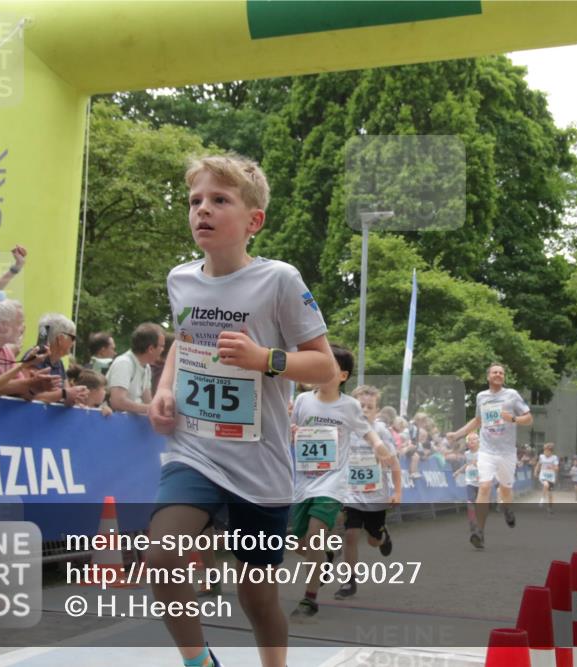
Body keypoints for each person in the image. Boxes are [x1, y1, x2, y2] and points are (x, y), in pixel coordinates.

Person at [146, 152, 335, 667]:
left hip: (260, 461)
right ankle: (198, 661)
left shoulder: (280, 280)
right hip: (196, 449)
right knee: (162, 553)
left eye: (219, 200)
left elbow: (325, 368)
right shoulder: (180, 278)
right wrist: (164, 388)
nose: (202, 210)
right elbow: (184, 344)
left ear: (254, 220)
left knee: (257, 597)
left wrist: (265, 359)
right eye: (195, 201)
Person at [289, 345, 390, 620]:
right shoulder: (302, 401)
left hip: (332, 483)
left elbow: (366, 431)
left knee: (314, 535)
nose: (319, 371)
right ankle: (325, 554)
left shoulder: (348, 406)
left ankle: (309, 599)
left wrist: (380, 447)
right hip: (304, 482)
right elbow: (293, 433)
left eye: (328, 366)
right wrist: (293, 433)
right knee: (298, 542)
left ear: (343, 375)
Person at [446, 363, 533, 549]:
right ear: (488, 377)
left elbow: (529, 418)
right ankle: (479, 532)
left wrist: (513, 419)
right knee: (484, 486)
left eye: (501, 372)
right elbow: (477, 421)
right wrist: (457, 434)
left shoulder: (512, 395)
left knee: (505, 489)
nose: (498, 374)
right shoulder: (481, 397)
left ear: (504, 377)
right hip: (486, 451)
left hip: (507, 452)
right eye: (495, 372)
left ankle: (508, 509)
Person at [334, 385, 403, 600]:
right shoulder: (345, 430)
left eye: (369, 407)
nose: (364, 410)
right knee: (351, 535)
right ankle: (349, 580)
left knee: (372, 540)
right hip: (351, 494)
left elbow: (395, 464)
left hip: (376, 496)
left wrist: (397, 492)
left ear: (376, 410)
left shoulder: (381, 433)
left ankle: (382, 537)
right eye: (360, 406)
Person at [105, 322, 164, 415]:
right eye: (162, 346)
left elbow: (147, 400)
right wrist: (151, 409)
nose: (163, 350)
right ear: (151, 349)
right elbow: (117, 402)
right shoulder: (124, 363)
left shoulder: (146, 367)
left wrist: (158, 410)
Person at [31, 313, 88, 406]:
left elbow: (66, 395)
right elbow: (31, 397)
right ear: (60, 339)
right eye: (73, 338)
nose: (73, 343)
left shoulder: (58, 362)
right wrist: (65, 394)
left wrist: (76, 397)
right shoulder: (36, 356)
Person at [452, 432, 482, 535]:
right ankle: (472, 521)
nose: (471, 442)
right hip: (470, 480)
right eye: (469, 440)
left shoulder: (483, 453)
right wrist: (458, 471)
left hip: (481, 482)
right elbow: (467, 464)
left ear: (478, 441)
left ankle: (479, 521)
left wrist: (478, 464)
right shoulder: (467, 454)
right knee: (470, 502)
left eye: (474, 439)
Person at [534, 442, 558, 513]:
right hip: (543, 475)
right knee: (545, 485)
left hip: (551, 477)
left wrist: (552, 467)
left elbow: (557, 468)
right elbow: (538, 465)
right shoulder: (541, 456)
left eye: (547, 451)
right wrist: (535, 471)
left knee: (550, 494)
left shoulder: (554, 458)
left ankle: (550, 508)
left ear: (550, 451)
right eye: (544, 450)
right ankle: (542, 499)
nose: (545, 452)